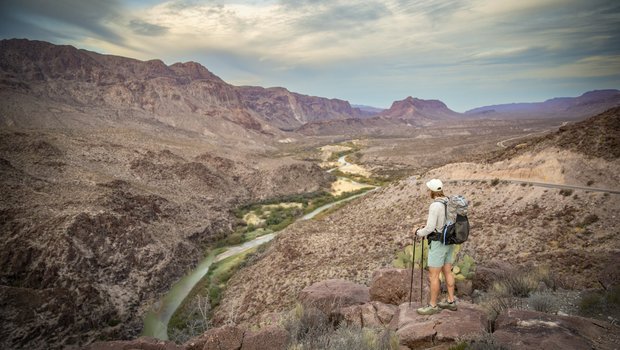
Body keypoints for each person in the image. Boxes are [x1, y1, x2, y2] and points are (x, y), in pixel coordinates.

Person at [415, 178, 457, 315]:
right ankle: (451, 301)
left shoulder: (435, 206)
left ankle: (432, 306)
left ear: (432, 191)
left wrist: (418, 232)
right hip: (449, 242)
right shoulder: (449, 202)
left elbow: (430, 228)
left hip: (438, 243)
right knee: (448, 272)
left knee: (434, 276)